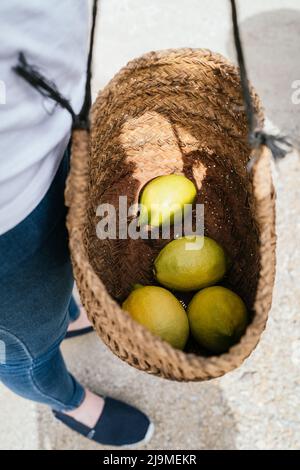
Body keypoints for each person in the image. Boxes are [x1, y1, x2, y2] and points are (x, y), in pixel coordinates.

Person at [0, 0, 153, 446]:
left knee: (61, 266)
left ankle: (63, 317)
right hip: (5, 216)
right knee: (26, 351)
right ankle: (69, 402)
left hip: (58, 129)